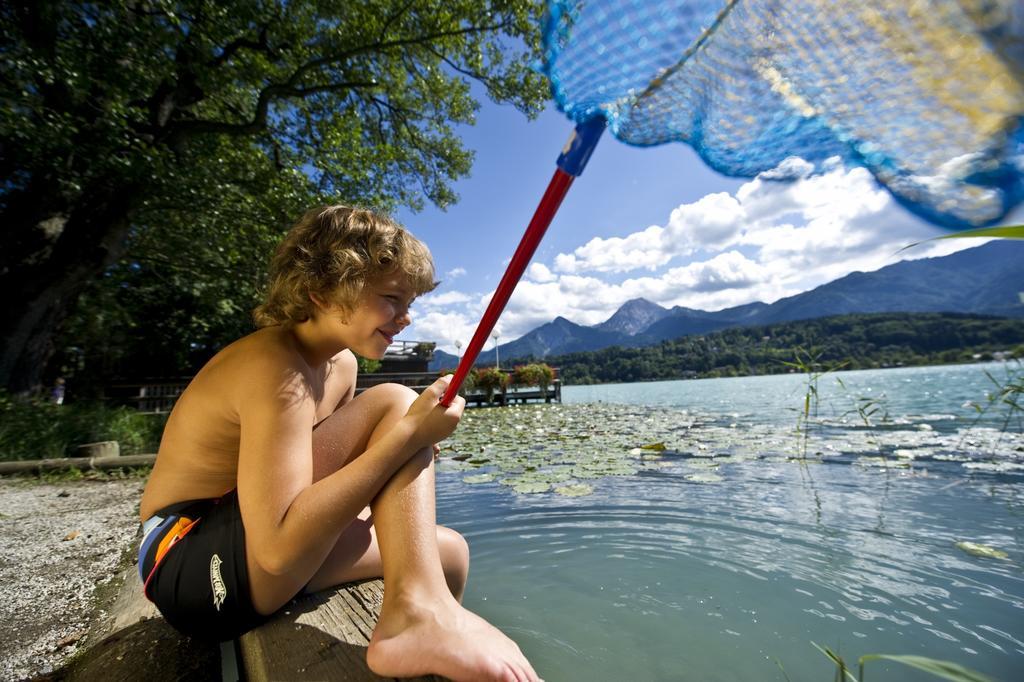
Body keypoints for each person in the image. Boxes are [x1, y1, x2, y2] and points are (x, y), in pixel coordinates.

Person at [138, 206, 539, 682]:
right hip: (188, 563)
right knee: (395, 402)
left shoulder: (342, 366)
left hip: (243, 543)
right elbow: (279, 550)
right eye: (392, 297)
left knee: (449, 552)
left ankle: (423, 630)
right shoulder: (274, 367)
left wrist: (397, 459)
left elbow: (317, 491)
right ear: (323, 291)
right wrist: (408, 435)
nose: (407, 318)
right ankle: (417, 614)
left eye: (410, 302)